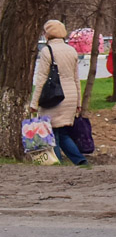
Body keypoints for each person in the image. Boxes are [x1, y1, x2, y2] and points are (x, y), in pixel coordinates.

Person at [28, 19, 87, 166]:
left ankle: (57, 164)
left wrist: (34, 103)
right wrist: (78, 102)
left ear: (48, 34)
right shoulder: (71, 50)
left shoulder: (47, 51)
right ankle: (80, 161)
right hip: (70, 96)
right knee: (63, 132)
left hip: (53, 97)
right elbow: (76, 78)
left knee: (51, 132)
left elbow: (42, 79)